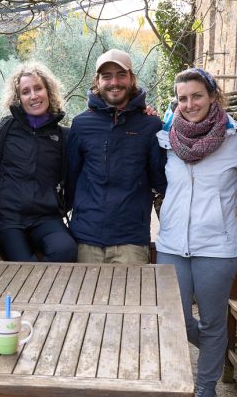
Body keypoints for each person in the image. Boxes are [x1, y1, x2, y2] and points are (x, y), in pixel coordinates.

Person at [155, 68, 237, 397]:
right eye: (183, 98)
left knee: (212, 320)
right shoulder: (166, 139)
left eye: (197, 96)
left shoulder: (236, 140)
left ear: (212, 97)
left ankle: (206, 387)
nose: (190, 104)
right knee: (176, 320)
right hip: (172, 245)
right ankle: (209, 353)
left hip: (216, 248)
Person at [65, 49, 166, 263]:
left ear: (131, 78)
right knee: (86, 297)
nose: (114, 82)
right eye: (107, 76)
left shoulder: (150, 124)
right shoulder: (81, 124)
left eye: (121, 74)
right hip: (86, 239)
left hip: (130, 241)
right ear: (97, 81)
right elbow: (71, 177)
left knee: (129, 297)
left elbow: (160, 180)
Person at [0, 62, 77, 264]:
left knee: (66, 250)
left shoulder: (63, 136)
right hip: (8, 220)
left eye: (38, 88)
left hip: (46, 218)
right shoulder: (6, 129)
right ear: (19, 98)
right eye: (26, 91)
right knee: (26, 269)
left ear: (48, 91)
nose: (33, 96)